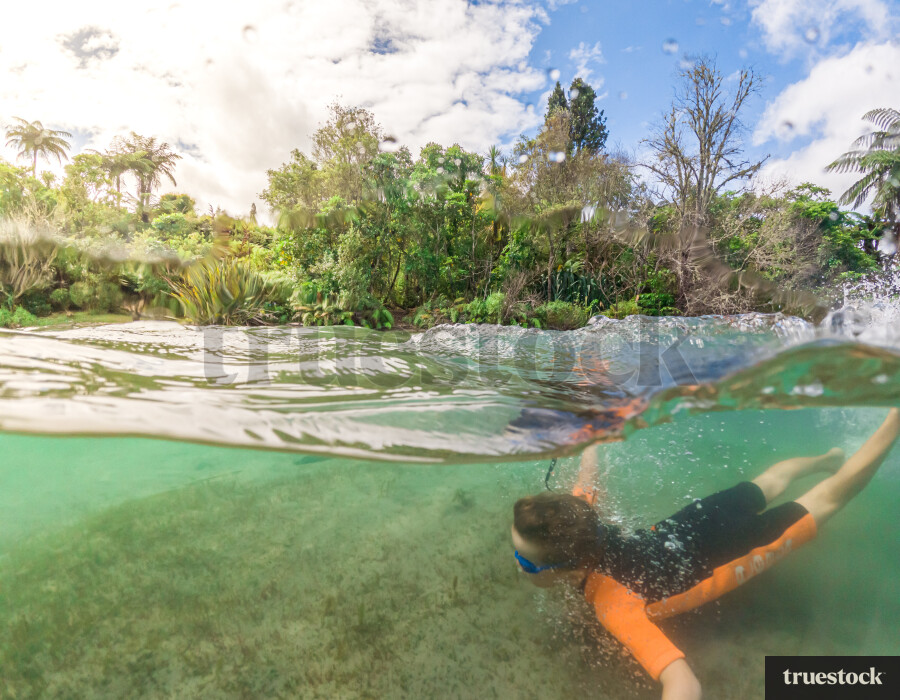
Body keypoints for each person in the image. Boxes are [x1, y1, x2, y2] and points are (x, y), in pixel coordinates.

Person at [511, 408, 900, 700]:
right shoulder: (580, 518)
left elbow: (683, 682)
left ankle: (893, 422)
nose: (518, 564)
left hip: (729, 552)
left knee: (829, 497)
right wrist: (592, 429)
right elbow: (589, 472)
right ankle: (827, 459)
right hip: (694, 521)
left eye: (525, 561)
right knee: (768, 482)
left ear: (564, 567)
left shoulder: (613, 604)